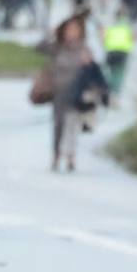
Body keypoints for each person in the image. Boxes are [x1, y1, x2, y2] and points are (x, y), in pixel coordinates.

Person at [44, 12, 93, 172]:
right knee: (58, 125)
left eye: (75, 29)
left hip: (76, 94)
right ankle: (56, 155)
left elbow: (92, 72)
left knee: (72, 125)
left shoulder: (84, 49)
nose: (71, 32)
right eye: (68, 29)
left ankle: (71, 156)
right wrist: (52, 34)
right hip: (59, 92)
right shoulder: (58, 47)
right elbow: (38, 47)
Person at [103, 14, 134, 94]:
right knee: (119, 72)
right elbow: (131, 38)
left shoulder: (111, 27)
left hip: (112, 51)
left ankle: (111, 88)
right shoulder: (127, 28)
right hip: (123, 52)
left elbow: (105, 38)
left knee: (112, 71)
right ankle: (116, 90)